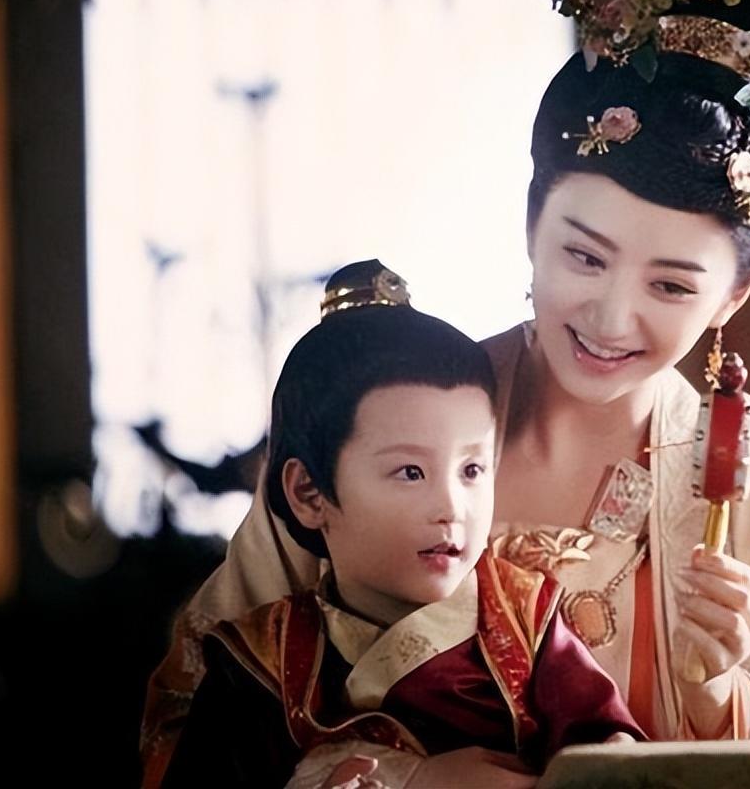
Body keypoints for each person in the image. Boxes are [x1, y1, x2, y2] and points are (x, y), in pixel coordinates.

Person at [143, 0, 750, 785]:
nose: (612, 316)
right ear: (530, 224)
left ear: (735, 295)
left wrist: (720, 695)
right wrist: (392, 781)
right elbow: (186, 716)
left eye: (671, 286)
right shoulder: (375, 414)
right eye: (583, 257)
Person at [159, 261, 643, 789]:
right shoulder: (260, 660)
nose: (451, 506)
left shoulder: (526, 620)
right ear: (309, 493)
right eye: (411, 472)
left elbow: (609, 751)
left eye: (472, 470)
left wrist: (611, 756)